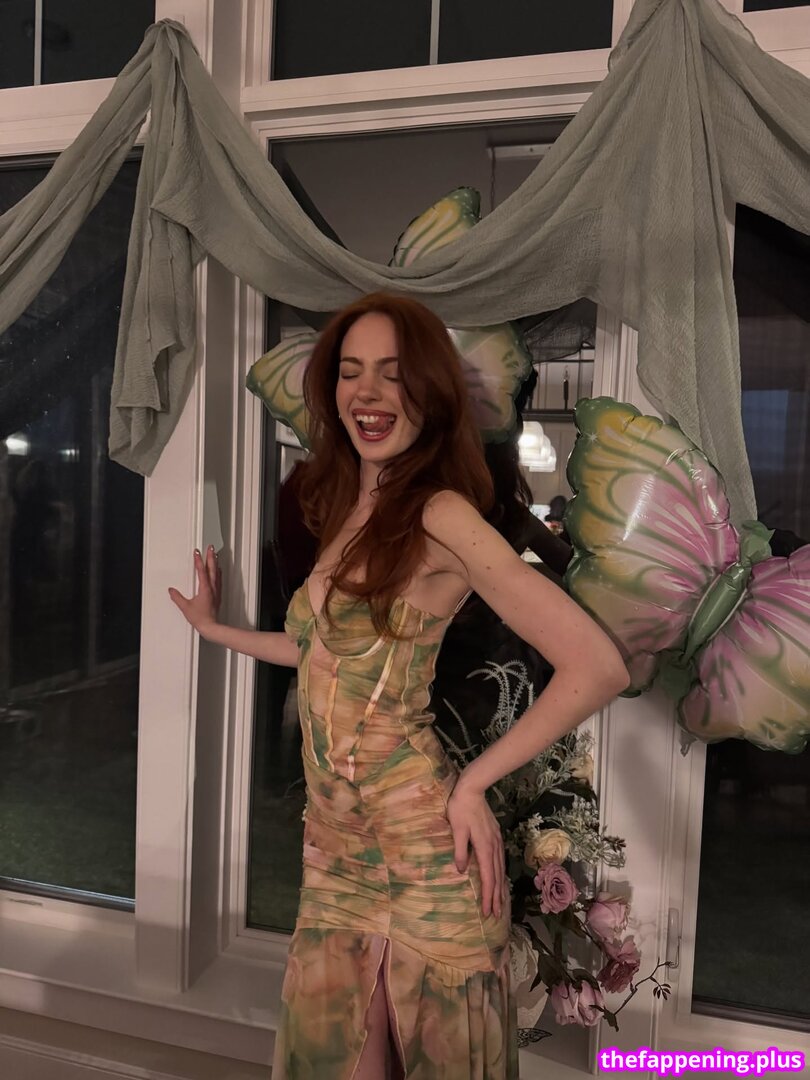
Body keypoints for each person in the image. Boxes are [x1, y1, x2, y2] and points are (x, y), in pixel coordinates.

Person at [169, 293, 628, 1080]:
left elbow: (597, 666)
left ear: (429, 392)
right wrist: (217, 632)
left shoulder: (440, 513)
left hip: (422, 851)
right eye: (351, 372)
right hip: (337, 854)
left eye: (391, 372)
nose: (368, 392)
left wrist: (472, 786)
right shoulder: (352, 505)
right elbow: (324, 653)